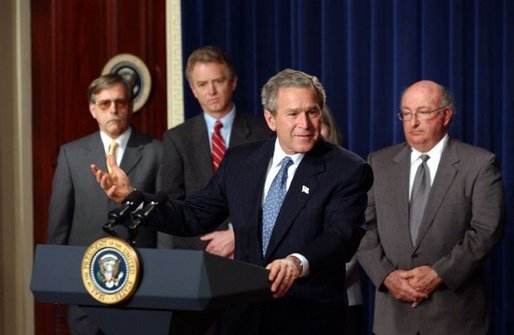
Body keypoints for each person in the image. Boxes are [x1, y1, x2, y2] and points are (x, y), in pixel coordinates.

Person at [92, 69, 373, 335]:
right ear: (271, 119)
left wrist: (296, 262)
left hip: (308, 317)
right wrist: (131, 197)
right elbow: (192, 215)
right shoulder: (241, 160)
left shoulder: (346, 168)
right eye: (293, 114)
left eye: (312, 112)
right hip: (244, 318)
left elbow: (341, 235)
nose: (305, 123)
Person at [357, 80, 505, 335]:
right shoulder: (378, 163)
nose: (412, 122)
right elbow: (361, 226)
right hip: (393, 317)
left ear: (445, 115)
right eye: (406, 113)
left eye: (423, 113)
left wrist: (439, 273)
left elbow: (487, 230)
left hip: (454, 318)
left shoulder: (479, 164)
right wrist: (386, 276)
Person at [47, 73, 162, 335]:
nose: (113, 109)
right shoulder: (71, 154)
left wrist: (160, 279)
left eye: (120, 102)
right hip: (85, 287)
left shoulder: (157, 151)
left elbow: (164, 223)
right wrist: (57, 276)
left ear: (130, 107)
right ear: (92, 109)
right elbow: (59, 222)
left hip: (141, 285)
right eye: (105, 103)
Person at [157, 45, 272, 257]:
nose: (211, 92)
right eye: (202, 84)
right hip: (197, 256)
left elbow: (274, 196)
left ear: (233, 82)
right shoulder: (176, 139)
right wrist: (208, 248)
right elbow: (172, 206)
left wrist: (238, 234)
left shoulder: (263, 133)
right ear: (193, 90)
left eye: (218, 82)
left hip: (252, 252)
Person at [321, 106, 364, 335]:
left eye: (316, 119)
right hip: (289, 301)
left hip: (341, 298)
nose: (307, 127)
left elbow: (355, 239)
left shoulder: (352, 172)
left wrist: (300, 272)